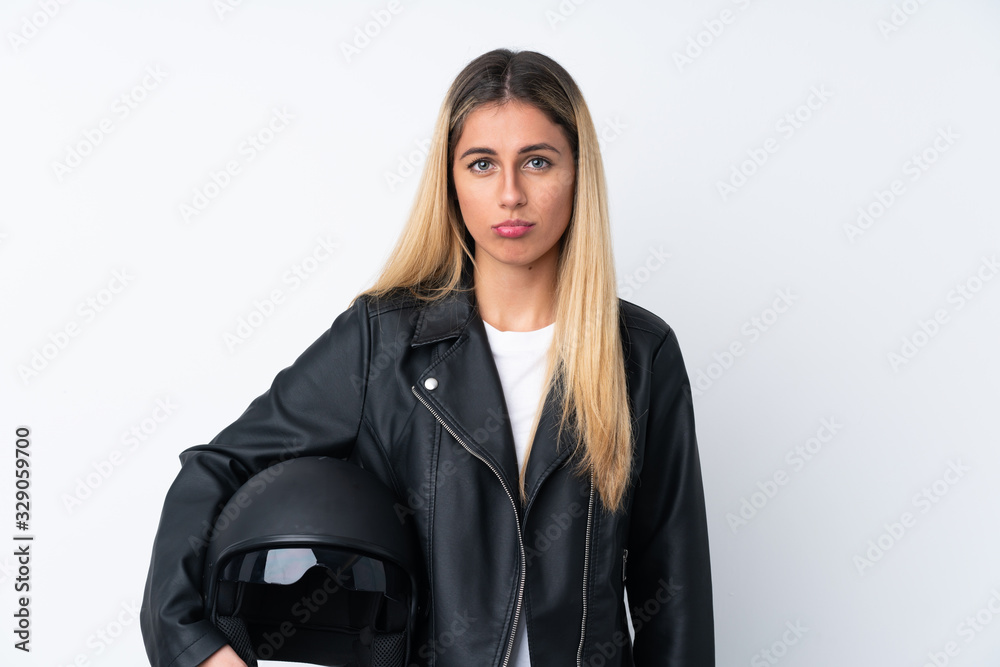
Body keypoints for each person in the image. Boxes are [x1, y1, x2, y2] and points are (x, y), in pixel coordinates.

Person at [140, 48, 715, 666]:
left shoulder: (641, 353)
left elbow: (672, 586)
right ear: (451, 181)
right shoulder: (382, 341)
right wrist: (195, 647)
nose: (511, 194)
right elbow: (217, 468)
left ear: (578, 174)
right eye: (482, 164)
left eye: (538, 161)